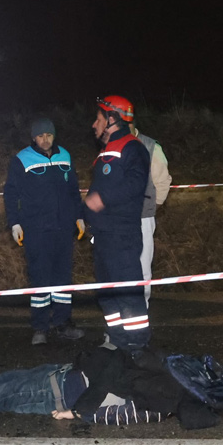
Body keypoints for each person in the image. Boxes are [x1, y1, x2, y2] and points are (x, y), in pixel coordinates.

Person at [0, 342, 223, 429]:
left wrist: (74, 413)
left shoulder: (166, 398)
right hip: (63, 375)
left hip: (57, 390)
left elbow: (120, 416)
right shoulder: (170, 375)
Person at [3, 118, 87, 345]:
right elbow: (11, 193)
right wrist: (15, 223)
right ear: (33, 137)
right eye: (40, 136)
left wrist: (79, 216)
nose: (45, 139)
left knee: (62, 278)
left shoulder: (65, 156)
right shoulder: (22, 160)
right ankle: (40, 327)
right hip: (36, 229)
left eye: (49, 135)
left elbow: (73, 190)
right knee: (40, 277)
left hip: (63, 228)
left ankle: (62, 323)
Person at [84, 95, 152, 354]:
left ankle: (137, 344)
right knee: (106, 291)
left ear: (112, 119)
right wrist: (83, 214)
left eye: (98, 119)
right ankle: (116, 339)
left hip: (122, 236)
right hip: (103, 236)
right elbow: (97, 189)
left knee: (127, 292)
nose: (94, 125)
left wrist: (103, 198)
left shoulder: (132, 148)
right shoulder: (105, 151)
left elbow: (136, 184)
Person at [127, 105, 172, 304]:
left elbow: (162, 180)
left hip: (143, 216)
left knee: (143, 267)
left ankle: (141, 311)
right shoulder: (111, 145)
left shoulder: (150, 146)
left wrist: (154, 206)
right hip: (119, 218)